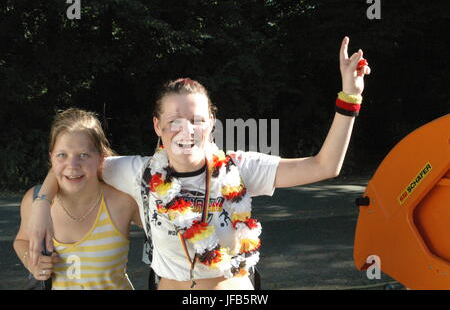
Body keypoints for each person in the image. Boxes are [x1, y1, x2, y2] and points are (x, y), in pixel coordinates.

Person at [27, 37, 371, 290]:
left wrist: (350, 96)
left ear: (212, 124)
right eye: (174, 120)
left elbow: (324, 166)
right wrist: (42, 205)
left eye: (197, 119)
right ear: (157, 126)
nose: (186, 130)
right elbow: (74, 162)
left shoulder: (241, 167)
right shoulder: (139, 172)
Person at [14, 108, 142, 290]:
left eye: (83, 155)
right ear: (51, 157)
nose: (72, 166)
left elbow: (165, 235)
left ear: (100, 158)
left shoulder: (124, 201)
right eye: (62, 155)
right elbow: (22, 241)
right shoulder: (34, 201)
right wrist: (32, 262)